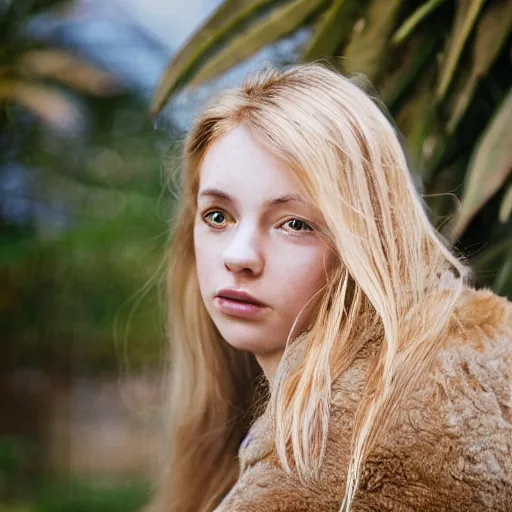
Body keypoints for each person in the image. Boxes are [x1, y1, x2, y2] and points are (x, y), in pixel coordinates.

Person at [145, 63, 512, 512]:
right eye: (218, 215)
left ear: (368, 241)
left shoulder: (377, 451)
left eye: (294, 224)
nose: (238, 256)